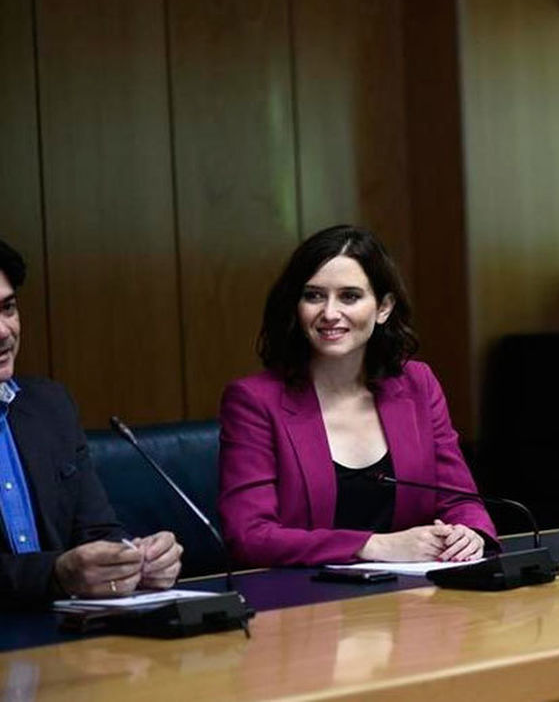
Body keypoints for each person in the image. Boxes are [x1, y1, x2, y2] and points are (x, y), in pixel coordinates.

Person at [218, 225, 496, 568]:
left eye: (349, 296)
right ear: (295, 306)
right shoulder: (254, 401)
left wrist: (469, 532)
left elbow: (460, 500)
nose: (330, 313)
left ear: (383, 307)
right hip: (303, 606)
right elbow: (249, 537)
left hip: (415, 601)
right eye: (314, 295)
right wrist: (372, 546)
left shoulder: (417, 384)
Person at [0, 239, 181, 604]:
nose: (5, 331)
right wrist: (54, 574)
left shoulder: (49, 406)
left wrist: (135, 560)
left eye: (8, 308)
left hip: (67, 639)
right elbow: (60, 571)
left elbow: (98, 532)